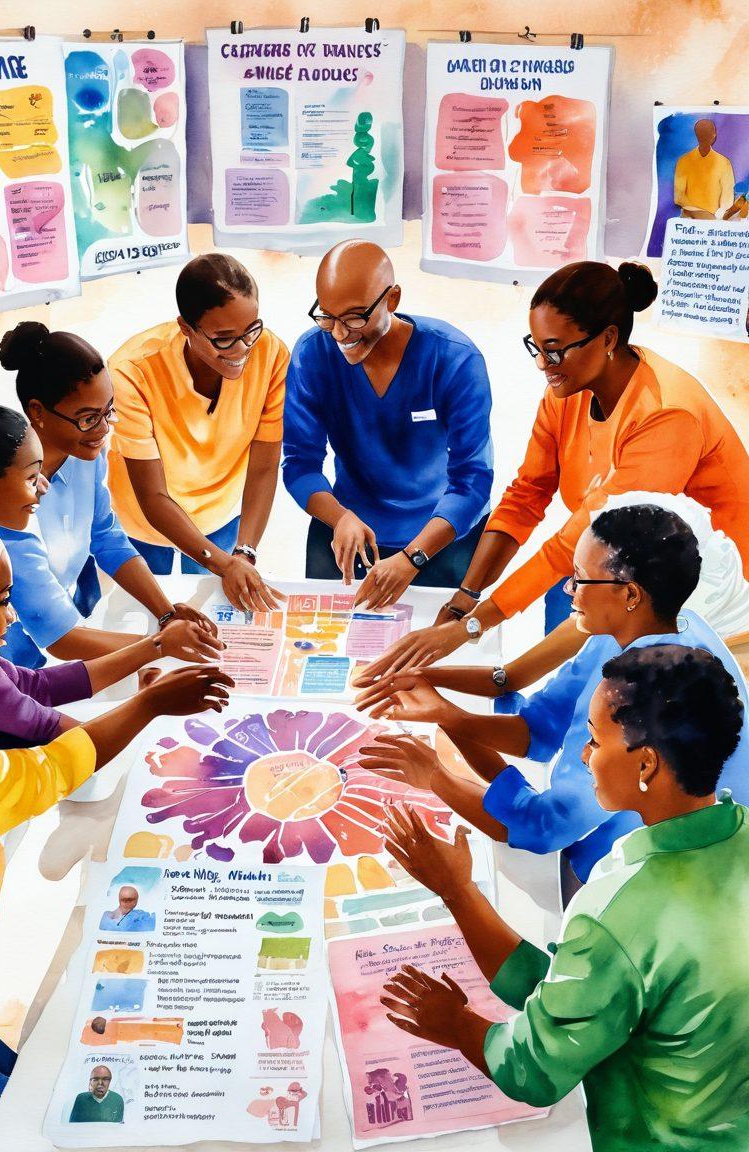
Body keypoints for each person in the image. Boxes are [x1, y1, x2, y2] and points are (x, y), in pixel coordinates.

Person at [0, 511, 232, 1151]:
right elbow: (47, 771)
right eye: (3, 601)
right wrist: (149, 705)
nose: (12, 618)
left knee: (29, 1085)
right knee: (16, 1132)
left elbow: (31, 696)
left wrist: (147, 672)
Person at [378, 645, 749, 1152]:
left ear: (645, 764)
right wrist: (459, 891)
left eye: (594, 740)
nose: (583, 757)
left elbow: (532, 1070)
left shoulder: (618, 911)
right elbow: (586, 992)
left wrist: (454, 1022)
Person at [359, 260, 749, 680]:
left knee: (604, 694)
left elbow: (581, 538)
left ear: (608, 339)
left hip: (708, 597)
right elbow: (526, 495)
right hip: (622, 570)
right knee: (563, 657)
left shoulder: (666, 416)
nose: (543, 364)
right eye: (537, 348)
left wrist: (472, 626)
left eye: (555, 350)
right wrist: (465, 598)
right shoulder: (567, 390)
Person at [357, 504, 749, 888]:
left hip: (665, 879)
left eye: (581, 580)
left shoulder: (652, 688)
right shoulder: (640, 627)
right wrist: (440, 703)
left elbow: (543, 828)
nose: (568, 590)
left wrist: (435, 775)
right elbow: (539, 729)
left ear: (630, 594)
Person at [0, 382, 223, 749]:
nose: (44, 488)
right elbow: (39, 722)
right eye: (32, 477)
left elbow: (28, 686)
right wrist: (150, 704)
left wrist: (156, 648)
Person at [283, 240, 493, 608]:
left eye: (354, 317)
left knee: (435, 639)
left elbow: (473, 480)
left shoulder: (454, 358)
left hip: (443, 536)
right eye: (327, 316)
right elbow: (300, 462)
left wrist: (414, 557)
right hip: (348, 531)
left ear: (392, 299)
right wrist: (339, 517)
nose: (339, 334)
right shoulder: (313, 352)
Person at [0, 322, 219, 669]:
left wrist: (166, 613)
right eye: (87, 418)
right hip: (6, 659)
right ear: (37, 411)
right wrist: (161, 645)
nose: (102, 430)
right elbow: (59, 637)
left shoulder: (85, 456)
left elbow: (106, 538)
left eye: (108, 411)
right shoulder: (6, 493)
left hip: (61, 641)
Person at [107, 254, 288, 611]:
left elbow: (264, 466)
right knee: (142, 621)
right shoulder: (131, 370)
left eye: (251, 330)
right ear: (186, 328)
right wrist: (224, 564)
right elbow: (153, 496)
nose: (243, 349)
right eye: (224, 339)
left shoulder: (271, 354)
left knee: (213, 617)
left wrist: (244, 553)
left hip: (219, 517)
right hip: (141, 525)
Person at [674, 117, 735, 219]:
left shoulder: (724, 162)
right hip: (690, 217)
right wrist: (701, 212)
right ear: (714, 135)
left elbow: (727, 197)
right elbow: (678, 197)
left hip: (712, 218)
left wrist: (719, 213)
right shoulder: (684, 161)